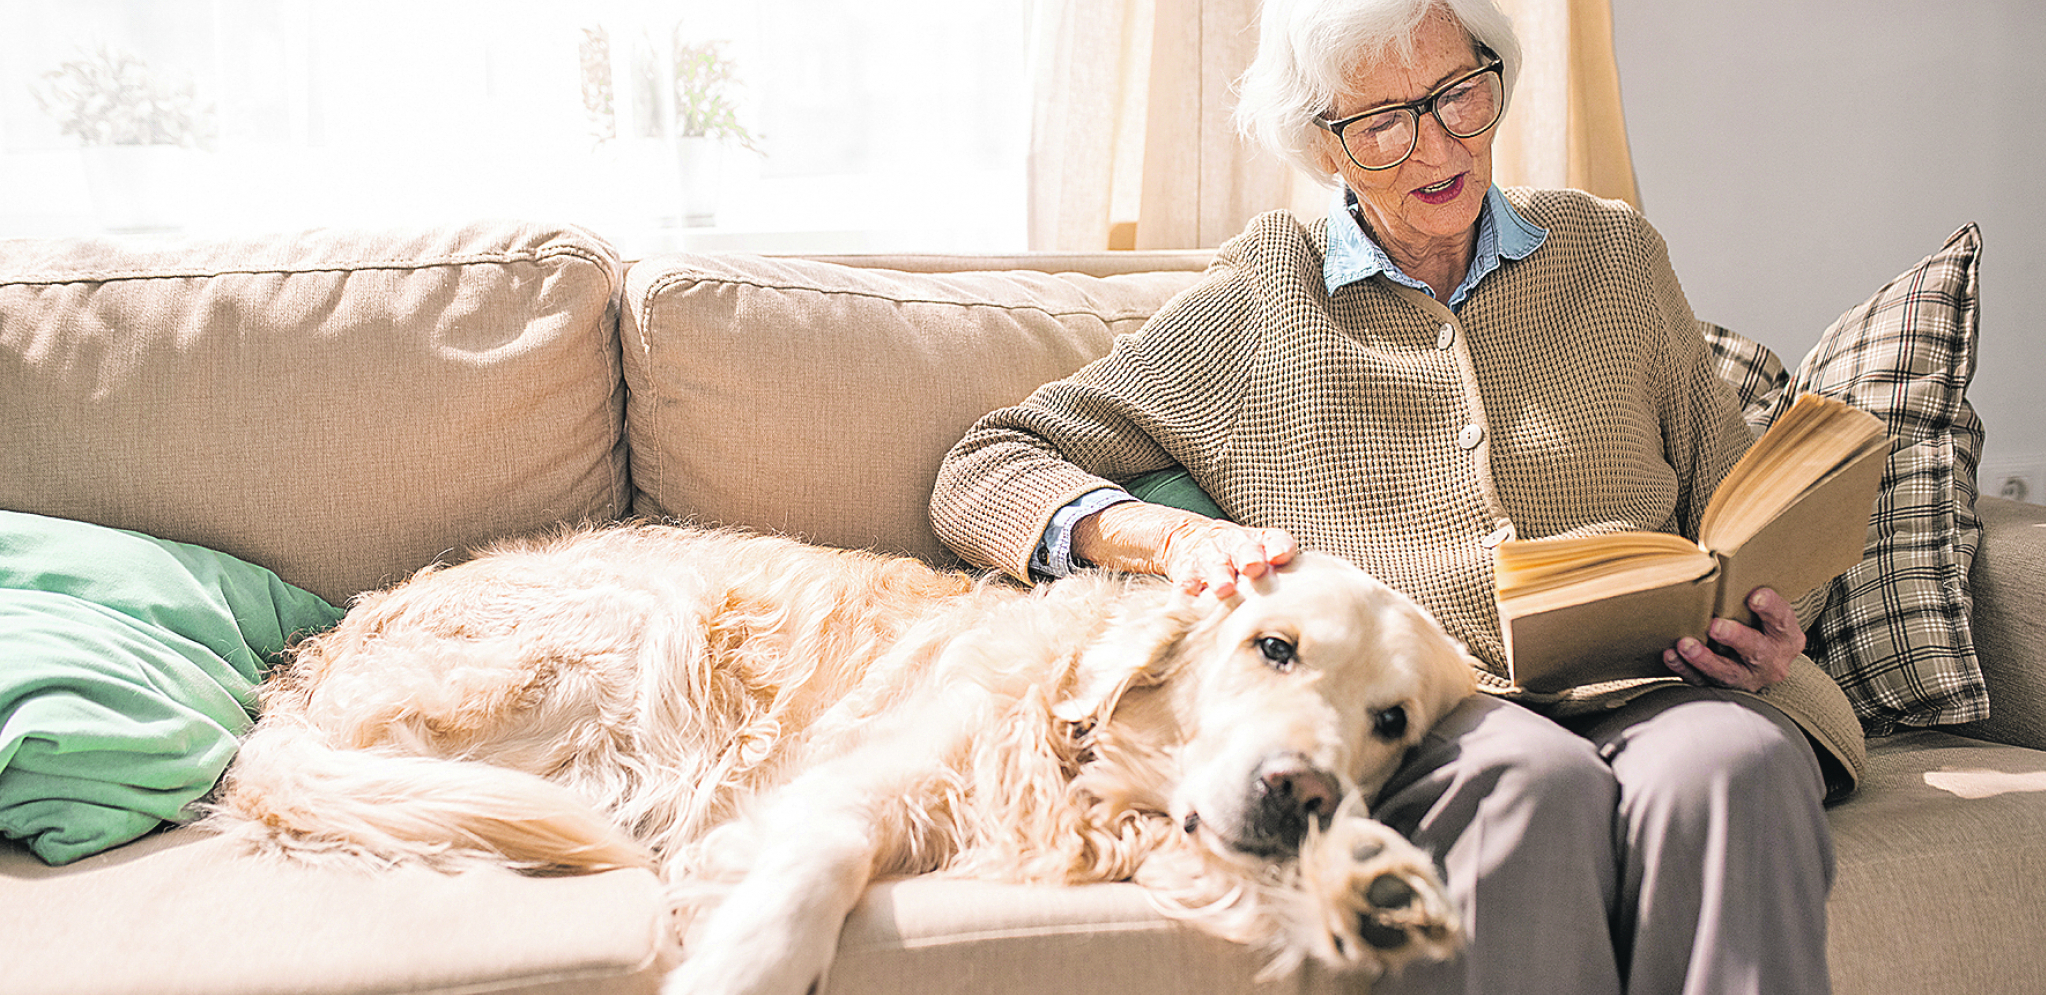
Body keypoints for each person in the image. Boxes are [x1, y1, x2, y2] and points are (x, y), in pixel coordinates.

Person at [929, 1, 1865, 992]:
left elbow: (1739, 506)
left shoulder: (1615, 256)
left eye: (1459, 94)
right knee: (1531, 784)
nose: (1439, 144)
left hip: (1658, 680)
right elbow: (988, 463)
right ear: (1321, 146)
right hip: (1436, 708)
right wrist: (1171, 541)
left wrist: (1767, 618)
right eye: (1382, 122)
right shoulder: (1258, 303)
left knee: (1735, 766)